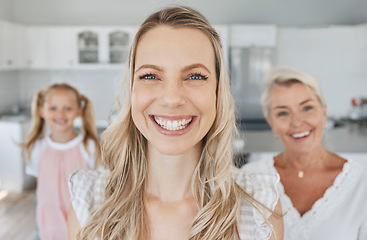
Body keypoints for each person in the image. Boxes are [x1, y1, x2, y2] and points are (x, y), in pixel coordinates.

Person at [67, 6, 283, 240]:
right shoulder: (89, 202)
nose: (171, 99)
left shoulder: (259, 208)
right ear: (131, 90)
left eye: (195, 76)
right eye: (150, 76)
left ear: (217, 91)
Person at [243, 66, 367, 239]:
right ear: (272, 123)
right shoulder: (249, 178)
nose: (297, 122)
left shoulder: (362, 183)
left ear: (324, 112)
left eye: (307, 108)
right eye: (283, 113)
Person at [23, 83, 101, 240]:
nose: (60, 113)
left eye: (67, 108)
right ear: (42, 111)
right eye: (53, 108)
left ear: (79, 111)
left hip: (80, 220)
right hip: (49, 220)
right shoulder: (36, 148)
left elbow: (95, 185)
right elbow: (41, 185)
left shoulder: (88, 147)